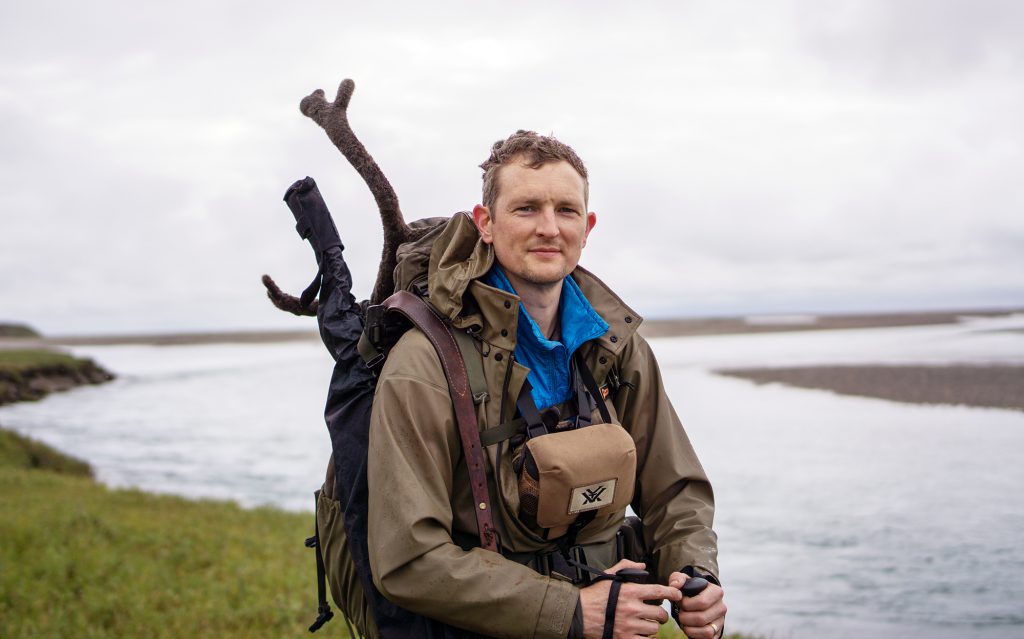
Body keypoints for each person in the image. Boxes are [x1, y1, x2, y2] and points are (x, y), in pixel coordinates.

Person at [366, 130, 727, 639]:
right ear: (485, 223)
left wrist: (695, 573)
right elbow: (408, 557)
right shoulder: (425, 364)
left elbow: (675, 488)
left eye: (567, 210)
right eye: (526, 209)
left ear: (589, 226)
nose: (549, 228)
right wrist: (573, 611)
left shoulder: (617, 345)